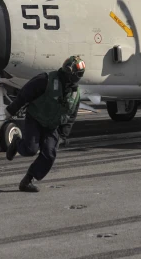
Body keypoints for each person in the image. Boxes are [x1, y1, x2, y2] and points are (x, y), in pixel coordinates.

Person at [5, 55, 84, 192]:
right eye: (77, 73)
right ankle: (17, 142)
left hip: (52, 126)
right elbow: (25, 93)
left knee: (49, 154)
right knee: (30, 150)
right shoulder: (46, 80)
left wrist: (63, 135)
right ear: (69, 71)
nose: (78, 77)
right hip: (35, 118)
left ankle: (27, 180)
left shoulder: (75, 95)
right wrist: (11, 110)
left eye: (80, 74)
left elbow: (71, 116)